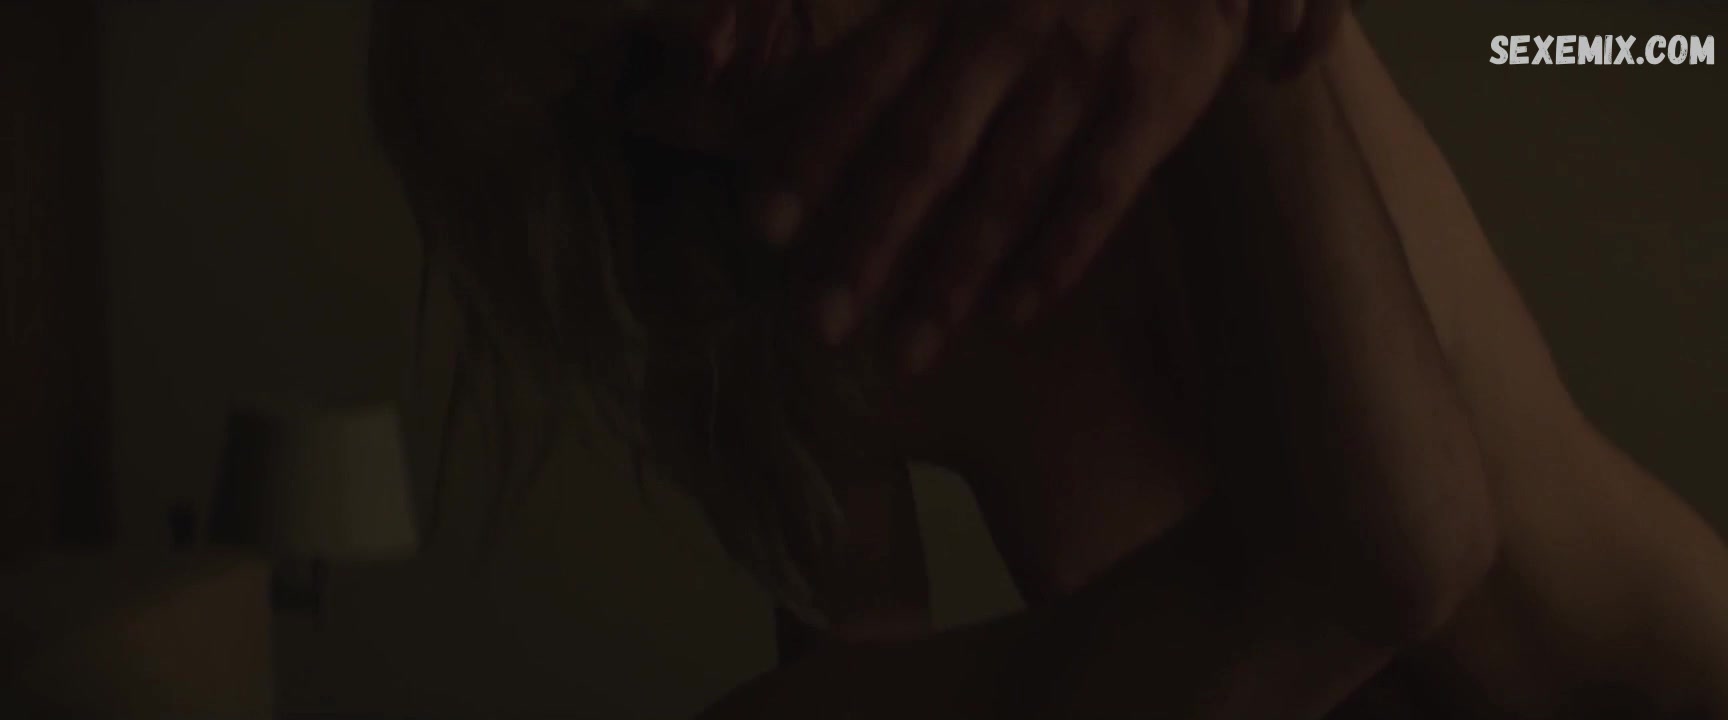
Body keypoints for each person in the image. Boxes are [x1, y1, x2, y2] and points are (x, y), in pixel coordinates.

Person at [368, 1, 1728, 717]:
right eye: (631, 69)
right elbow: (878, 670)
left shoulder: (1182, 51)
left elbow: (1404, 550)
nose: (706, 42)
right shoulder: (801, 299)